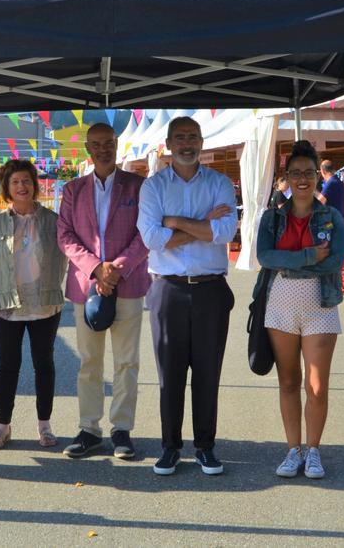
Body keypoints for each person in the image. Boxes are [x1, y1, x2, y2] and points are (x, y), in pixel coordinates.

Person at [137, 116, 237, 476]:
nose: (186, 143)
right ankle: (170, 447)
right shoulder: (153, 187)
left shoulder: (220, 182)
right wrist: (201, 224)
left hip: (210, 289)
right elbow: (151, 239)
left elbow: (225, 232)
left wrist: (174, 222)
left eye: (192, 137)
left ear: (201, 140)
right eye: (179, 137)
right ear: (167, 142)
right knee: (170, 375)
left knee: (208, 373)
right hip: (168, 289)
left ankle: (206, 447)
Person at [57, 123, 151, 459]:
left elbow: (146, 234)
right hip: (86, 286)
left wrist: (117, 268)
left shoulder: (139, 186)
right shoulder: (73, 190)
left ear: (117, 145)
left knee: (127, 362)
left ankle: (122, 430)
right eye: (96, 144)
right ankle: (89, 429)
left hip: (128, 285)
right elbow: (65, 235)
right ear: (87, 148)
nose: (102, 149)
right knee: (89, 363)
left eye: (108, 143)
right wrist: (96, 268)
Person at [255, 141, 344, 480]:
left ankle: (314, 450)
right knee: (289, 381)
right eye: (296, 174)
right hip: (280, 303)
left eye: (308, 173)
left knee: (317, 386)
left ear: (317, 177)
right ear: (287, 178)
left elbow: (336, 260)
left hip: (320, 304)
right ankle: (293, 449)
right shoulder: (273, 216)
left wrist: (289, 264)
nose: (303, 179)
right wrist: (308, 257)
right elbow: (264, 257)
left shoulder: (332, 216)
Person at [0, 160, 68, 450]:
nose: (22, 186)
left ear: (35, 185)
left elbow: (64, 258)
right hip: (7, 305)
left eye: (26, 181)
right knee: (8, 365)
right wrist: (2, 289)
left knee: (44, 364)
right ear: (6, 187)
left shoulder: (53, 221)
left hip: (44, 302)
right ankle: (2, 427)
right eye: (15, 182)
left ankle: (45, 427)